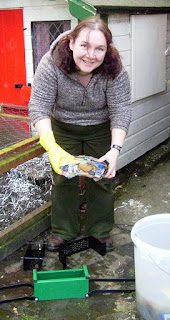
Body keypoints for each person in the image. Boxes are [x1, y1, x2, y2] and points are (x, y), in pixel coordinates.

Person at [29, 17, 131, 252]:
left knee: (102, 177)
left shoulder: (115, 69)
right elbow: (39, 106)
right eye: (84, 45)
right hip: (63, 127)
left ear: (107, 50)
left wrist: (115, 150)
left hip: (100, 128)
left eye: (99, 48)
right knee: (63, 177)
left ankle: (100, 231)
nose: (90, 55)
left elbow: (121, 110)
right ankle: (63, 230)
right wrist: (53, 149)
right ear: (71, 42)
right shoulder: (51, 64)